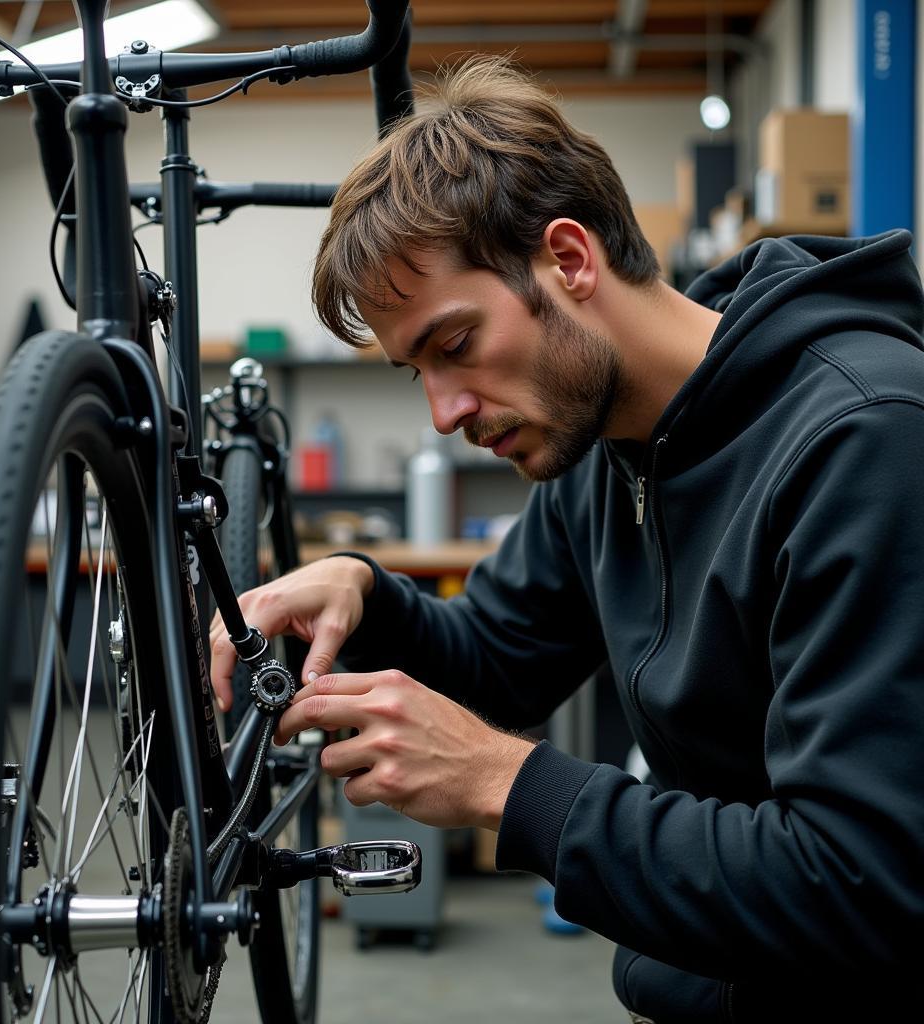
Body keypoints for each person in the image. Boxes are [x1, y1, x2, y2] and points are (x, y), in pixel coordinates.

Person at [210, 56, 924, 1022]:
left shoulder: (866, 442)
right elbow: (500, 659)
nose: (444, 412)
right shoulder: (607, 448)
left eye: (455, 345)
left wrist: (511, 785)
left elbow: (863, 884)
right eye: (414, 370)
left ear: (570, 260)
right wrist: (364, 595)